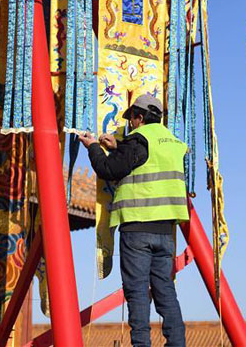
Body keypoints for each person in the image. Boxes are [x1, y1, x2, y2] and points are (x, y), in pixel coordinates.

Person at [78, 94, 188, 347]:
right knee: (165, 291)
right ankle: (177, 343)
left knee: (137, 292)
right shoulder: (172, 143)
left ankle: (141, 344)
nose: (130, 125)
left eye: (132, 120)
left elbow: (108, 170)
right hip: (166, 231)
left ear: (139, 117)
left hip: (138, 228)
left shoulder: (138, 139)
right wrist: (119, 146)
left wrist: (94, 146)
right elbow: (145, 160)